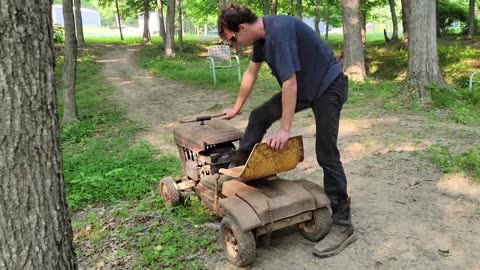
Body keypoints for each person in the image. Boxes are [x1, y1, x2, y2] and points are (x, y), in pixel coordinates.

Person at [211, 3, 356, 257]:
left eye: (233, 39)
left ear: (242, 28)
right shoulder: (260, 39)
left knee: (326, 151)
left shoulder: (279, 32)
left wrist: (284, 129)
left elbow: (290, 83)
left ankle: (344, 224)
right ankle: (237, 176)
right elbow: (251, 73)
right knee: (257, 117)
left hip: (328, 85)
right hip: (305, 87)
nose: (235, 45)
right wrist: (236, 108)